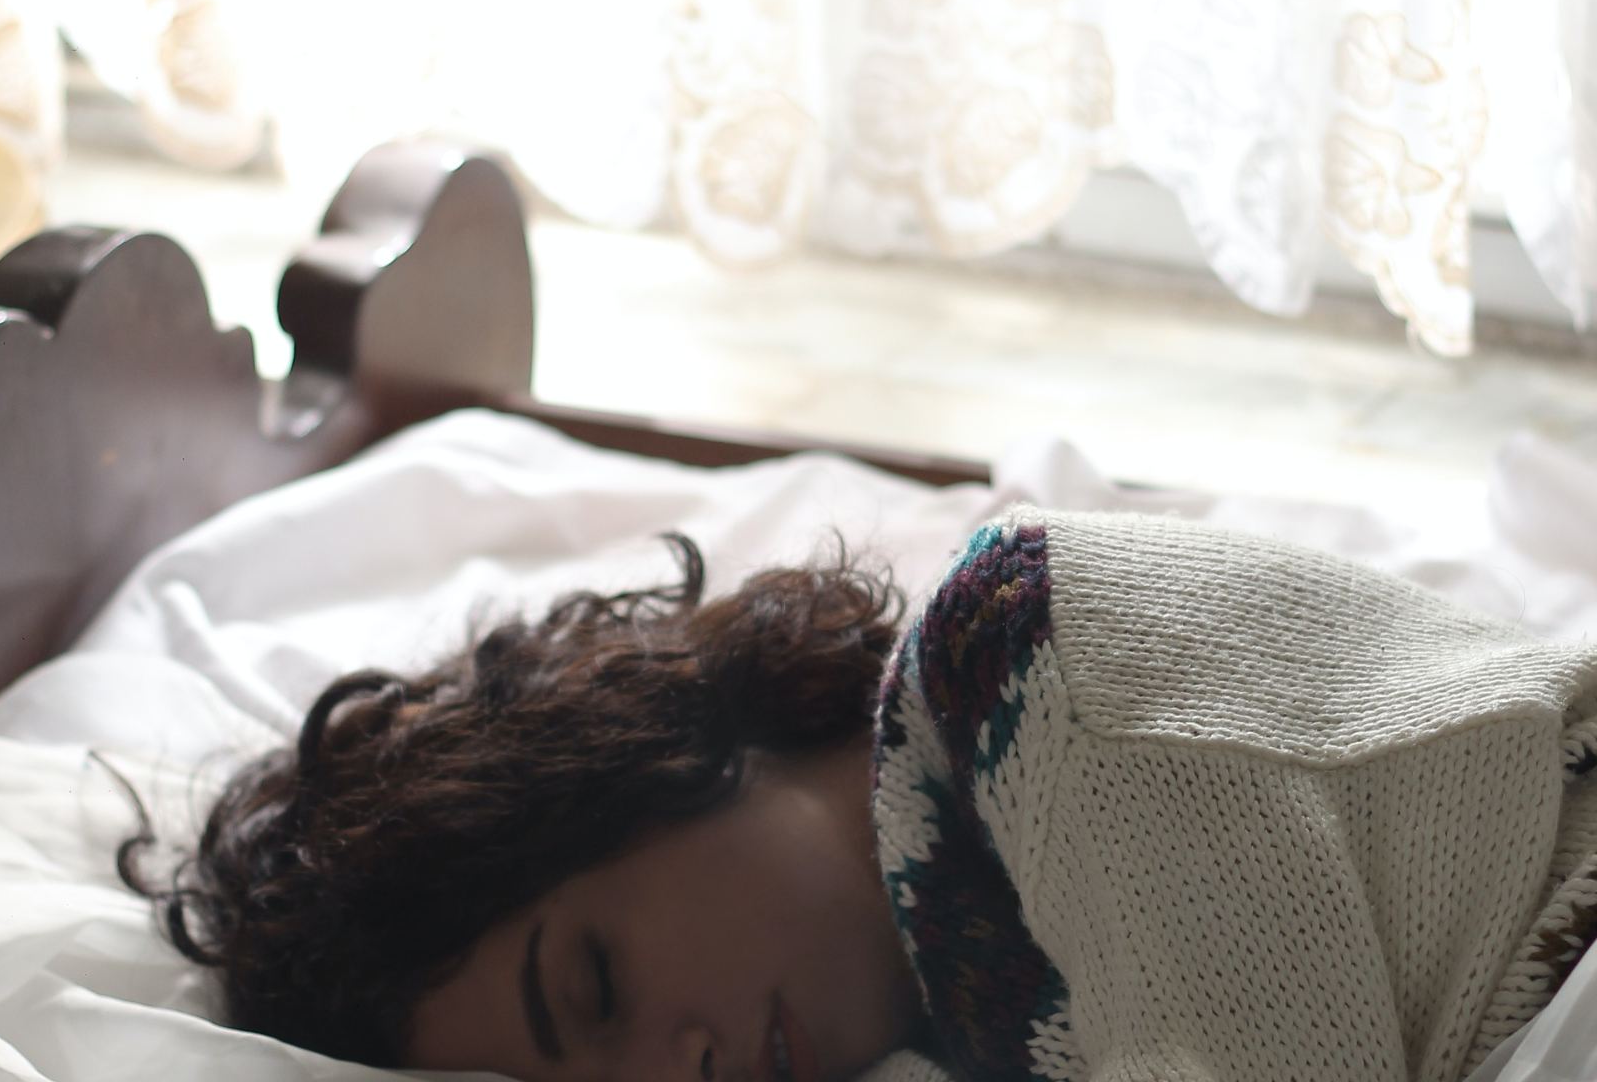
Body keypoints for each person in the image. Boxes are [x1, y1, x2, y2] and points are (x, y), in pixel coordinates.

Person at [127, 509, 1597, 1082]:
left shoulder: (1018, 666)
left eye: (594, 986)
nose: (672, 1078)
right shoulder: (955, 956)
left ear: (645, 759)